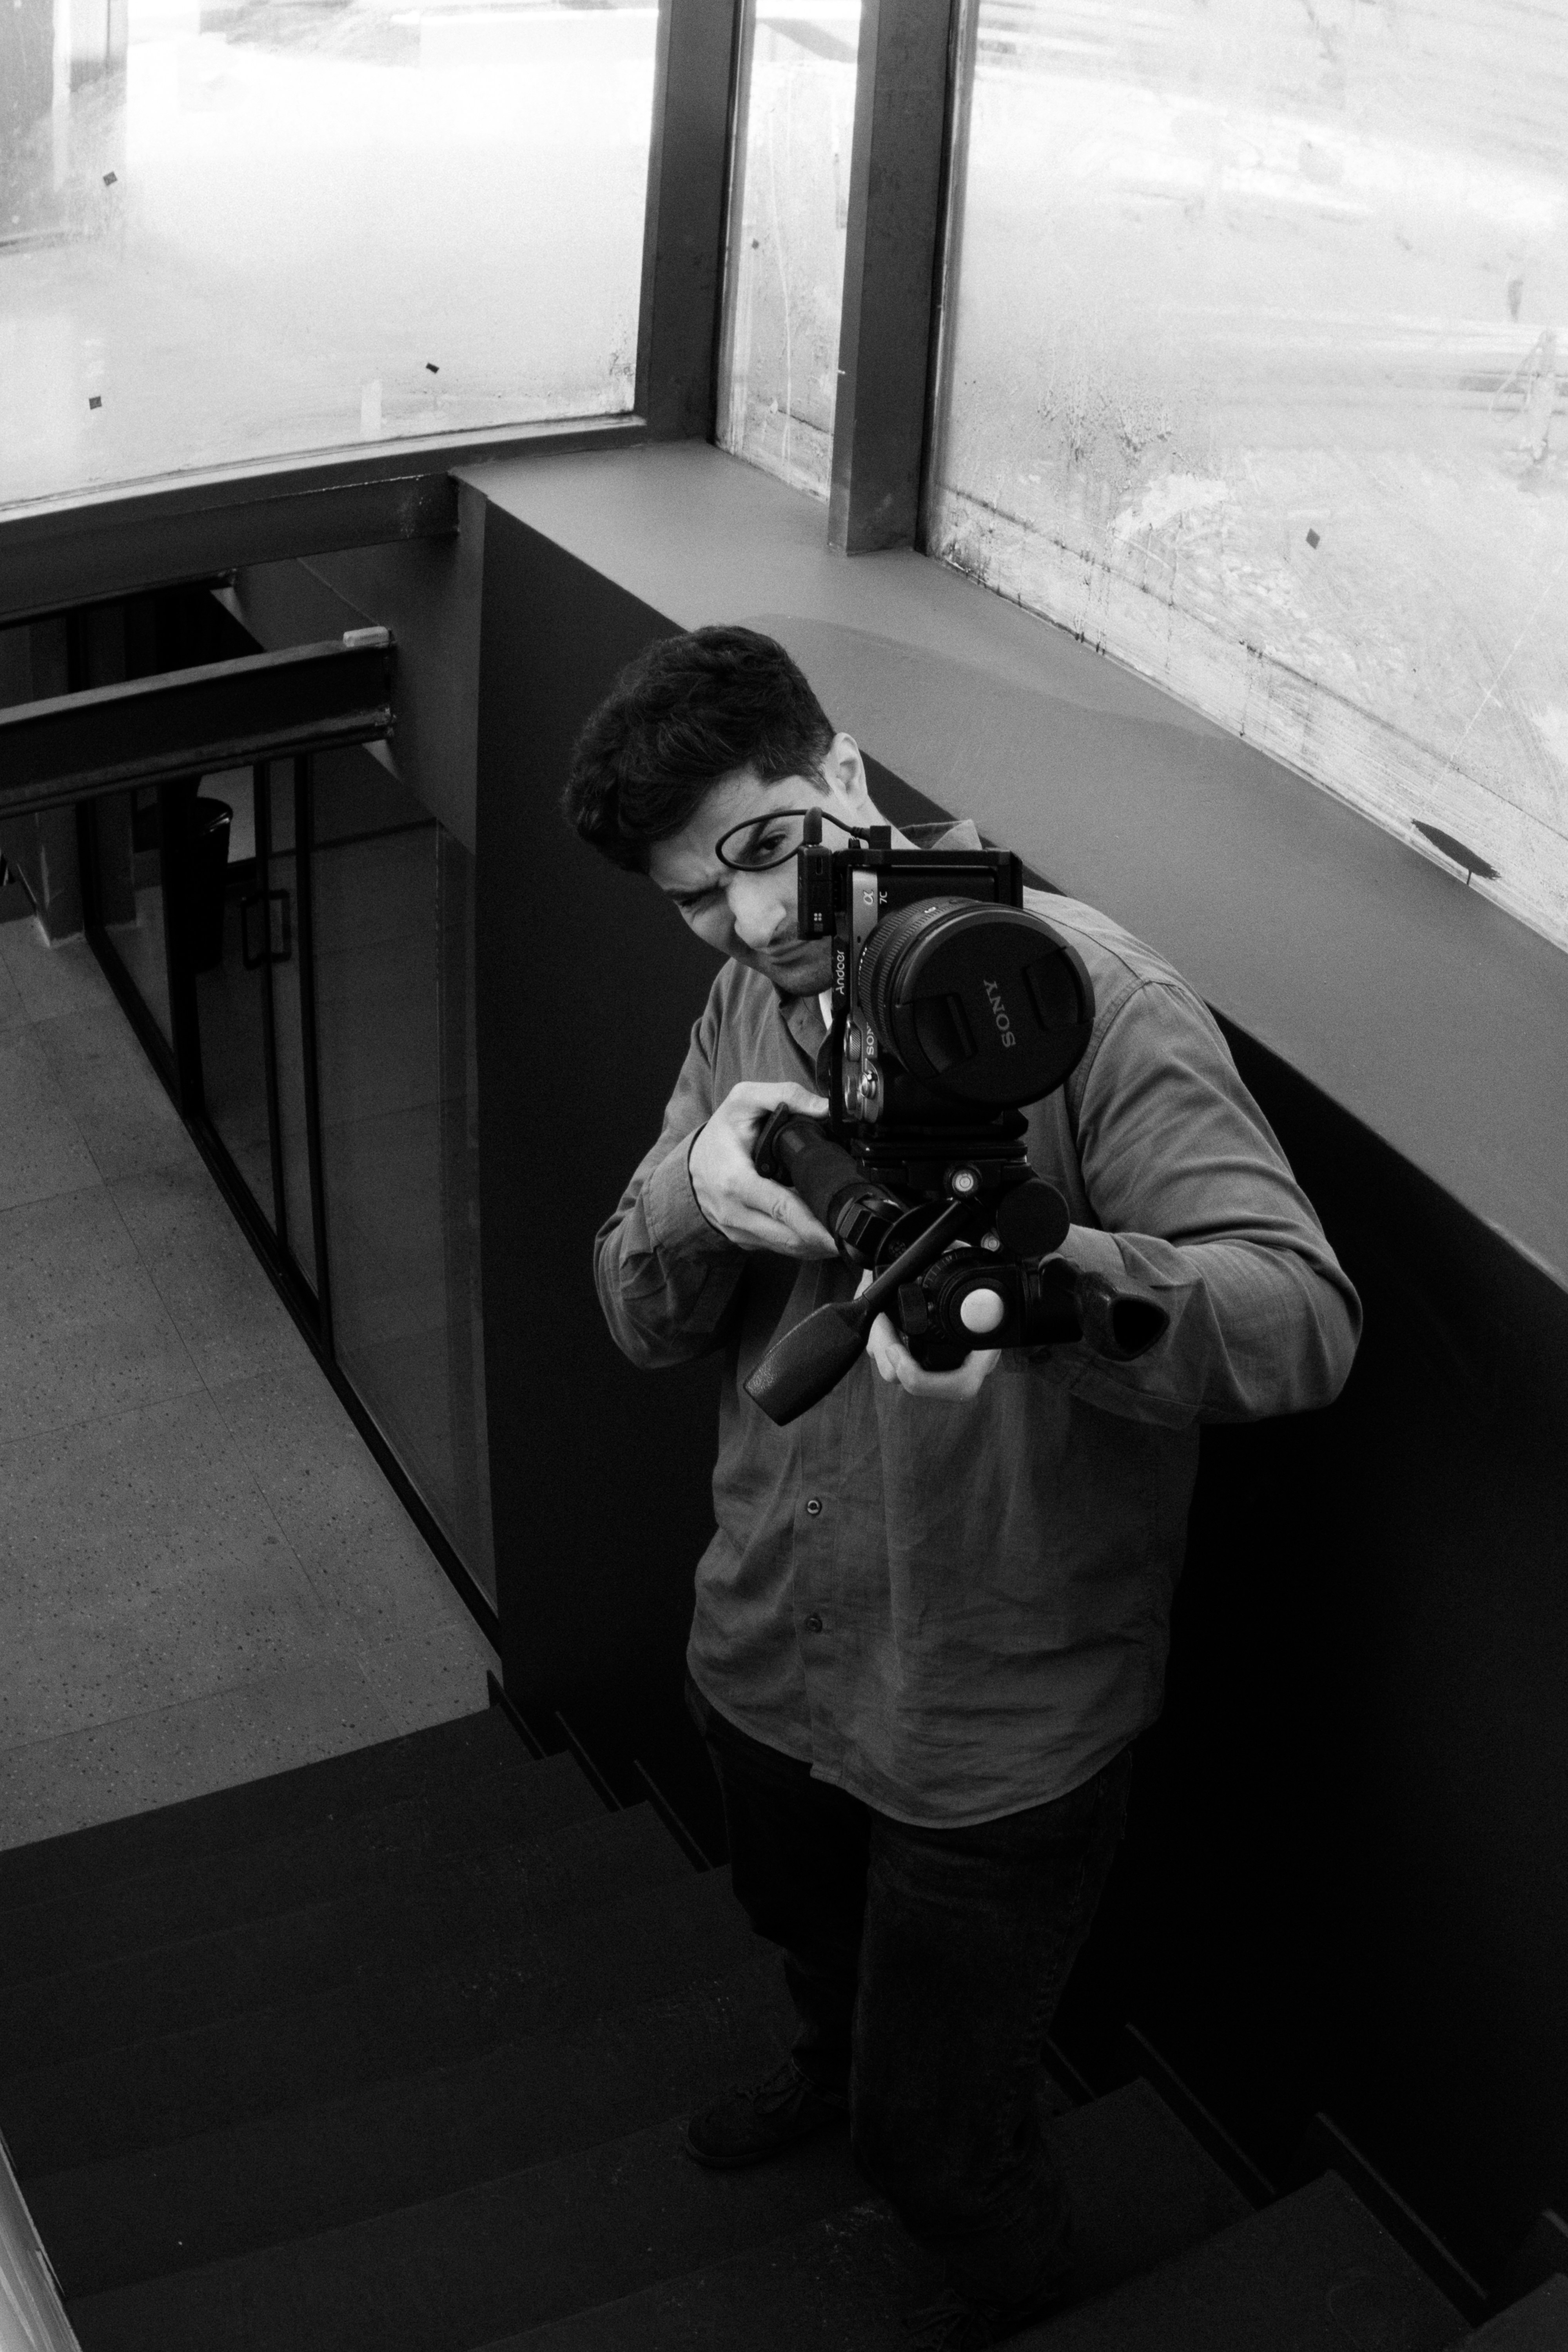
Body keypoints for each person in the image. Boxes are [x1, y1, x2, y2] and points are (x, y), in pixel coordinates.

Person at [562, 625, 1361, 2351]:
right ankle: (834, 2063)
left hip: (990, 1728)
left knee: (939, 2135)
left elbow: (1304, 1323)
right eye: (699, 899)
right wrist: (702, 1182)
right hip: (771, 1659)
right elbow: (635, 1310)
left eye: (770, 850)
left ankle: (1008, 2280)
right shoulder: (740, 1004)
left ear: (842, 775)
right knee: (816, 1969)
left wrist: (1048, 1293)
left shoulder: (1082, 1000)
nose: (756, 925)